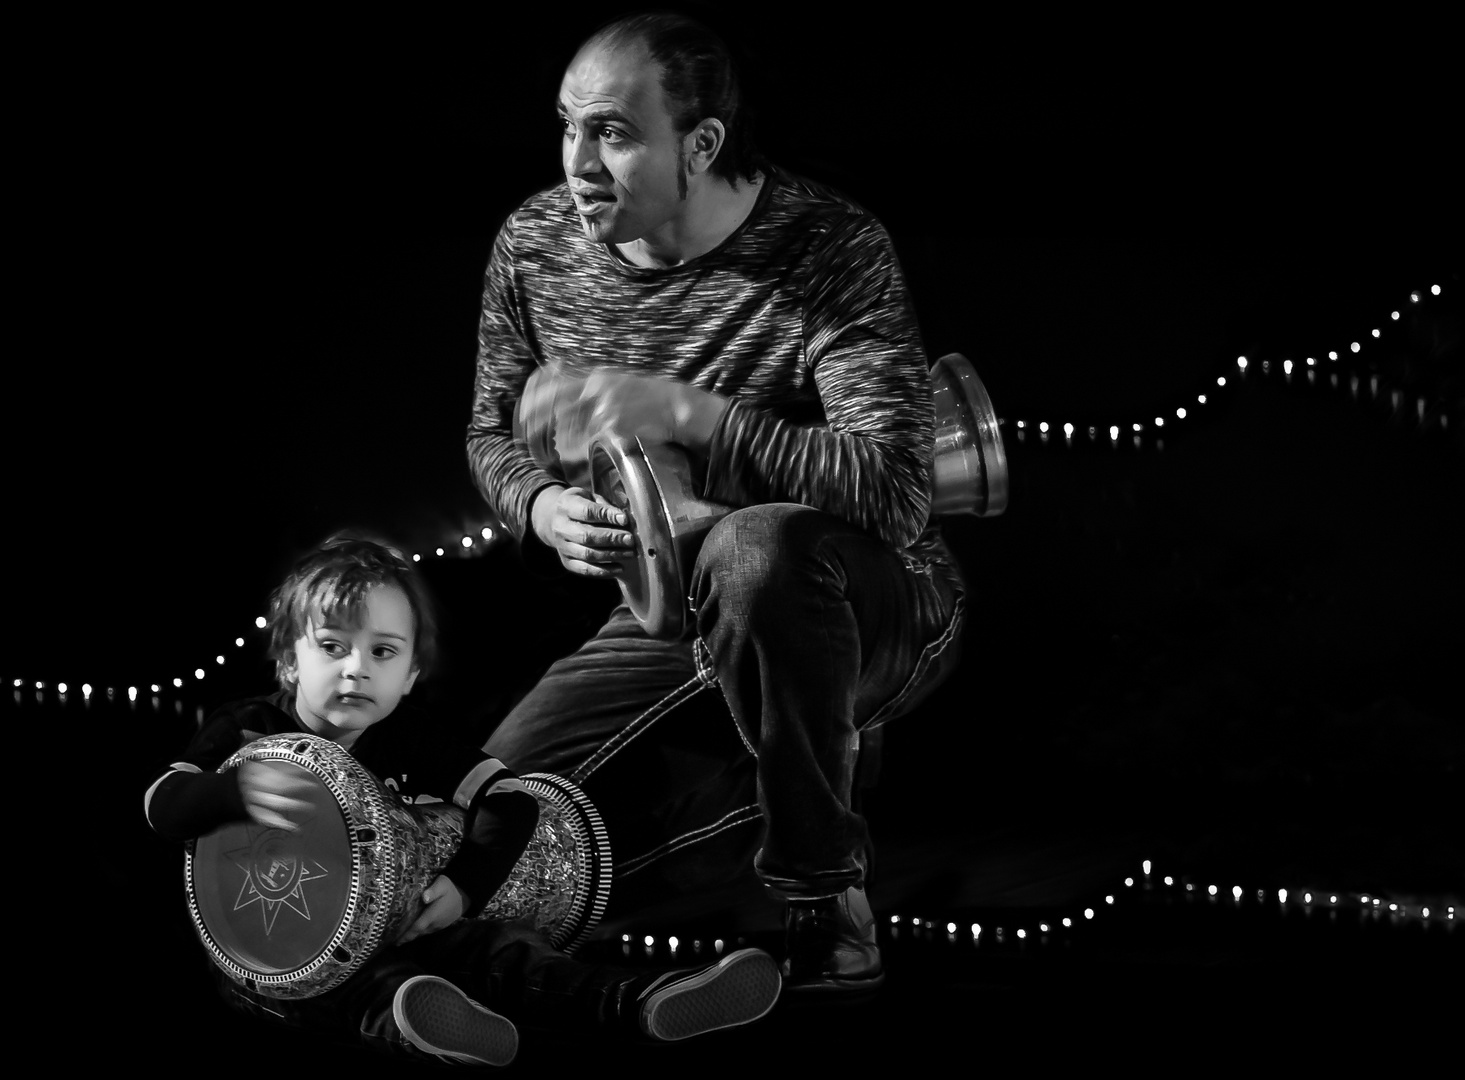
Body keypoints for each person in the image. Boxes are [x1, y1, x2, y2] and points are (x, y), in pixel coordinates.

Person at [467, 12, 966, 996]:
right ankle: (577, 992)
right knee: (489, 812)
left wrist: (692, 415)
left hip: (876, 604)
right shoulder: (534, 244)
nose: (577, 162)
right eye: (565, 127)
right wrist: (538, 510)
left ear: (701, 143)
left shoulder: (827, 247)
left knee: (756, 547)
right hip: (671, 602)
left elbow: (899, 495)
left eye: (612, 131)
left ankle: (825, 900)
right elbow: (490, 436)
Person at [144, 535, 782, 1066]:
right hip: (268, 945)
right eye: (332, 647)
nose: (355, 669)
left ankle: (639, 1001)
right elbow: (161, 805)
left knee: (503, 949)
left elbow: (510, 799)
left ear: (411, 675)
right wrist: (231, 789)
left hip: (402, 923)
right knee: (337, 989)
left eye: (382, 653)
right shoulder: (249, 729)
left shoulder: (408, 738)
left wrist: (465, 887)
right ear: (289, 660)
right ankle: (410, 1016)